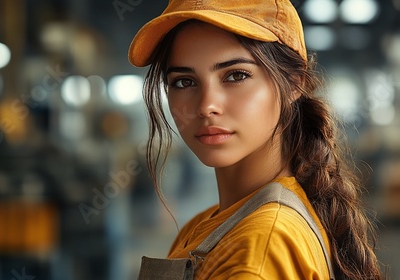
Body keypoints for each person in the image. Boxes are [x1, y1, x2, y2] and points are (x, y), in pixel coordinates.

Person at [128, 0, 383, 279]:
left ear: (294, 83)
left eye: (236, 75)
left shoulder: (259, 252)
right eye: (184, 81)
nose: (206, 106)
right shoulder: (207, 225)